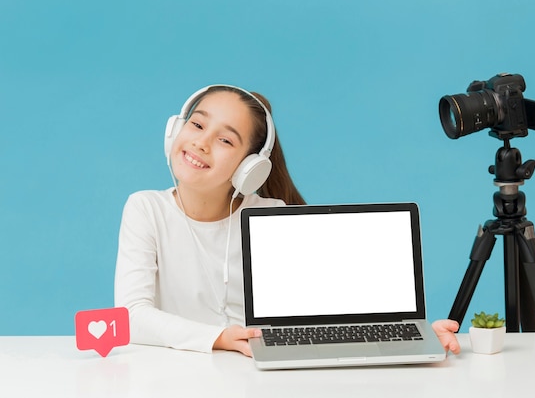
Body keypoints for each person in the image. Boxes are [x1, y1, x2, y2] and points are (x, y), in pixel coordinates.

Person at [114, 84, 460, 357]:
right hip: (177, 374)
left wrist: (418, 336)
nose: (201, 143)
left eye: (224, 140)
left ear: (250, 168)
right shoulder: (146, 209)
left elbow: (330, 311)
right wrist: (218, 337)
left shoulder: (269, 216)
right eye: (197, 124)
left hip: (257, 371)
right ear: (176, 129)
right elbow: (131, 315)